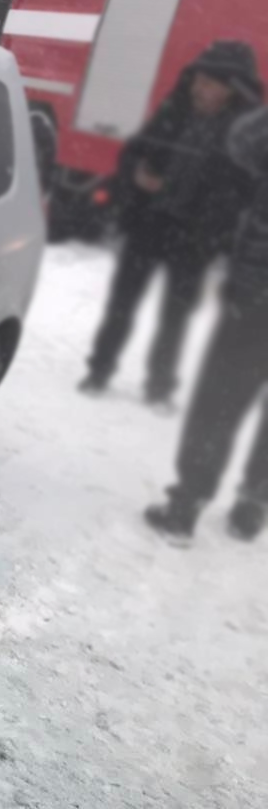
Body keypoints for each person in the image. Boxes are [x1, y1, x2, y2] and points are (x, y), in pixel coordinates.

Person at [81, 41, 262, 405]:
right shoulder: (175, 110)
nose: (199, 88)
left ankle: (160, 384)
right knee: (122, 302)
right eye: (198, 80)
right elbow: (135, 151)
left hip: (195, 237)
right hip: (149, 224)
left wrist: (215, 225)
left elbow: (243, 193)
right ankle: (100, 369)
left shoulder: (241, 135)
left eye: (209, 83)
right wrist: (138, 176)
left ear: (230, 89)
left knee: (175, 313)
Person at [145, 105, 268, 542]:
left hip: (257, 296)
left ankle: (187, 504)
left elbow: (243, 141)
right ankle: (254, 501)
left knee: (220, 395)